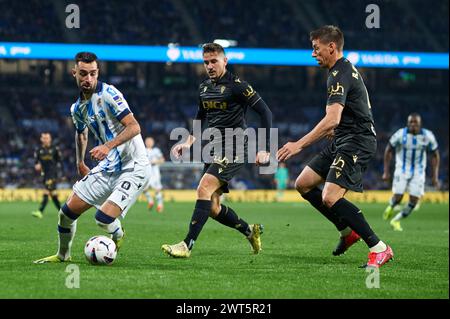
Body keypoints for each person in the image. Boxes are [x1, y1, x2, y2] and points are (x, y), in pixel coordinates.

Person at [277, 25, 393, 268]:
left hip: (357, 141)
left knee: (330, 196)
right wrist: (334, 128)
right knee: (304, 184)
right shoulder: (339, 71)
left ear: (331, 47)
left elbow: (332, 118)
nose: (313, 54)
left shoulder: (340, 74)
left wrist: (298, 144)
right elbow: (339, 118)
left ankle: (379, 247)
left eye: (316, 48)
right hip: (343, 138)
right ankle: (346, 231)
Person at [34, 52, 150, 264]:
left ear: (98, 73)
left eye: (93, 74)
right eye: (83, 74)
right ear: (74, 73)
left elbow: (135, 127)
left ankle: (118, 234)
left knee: (103, 219)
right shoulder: (77, 108)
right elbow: (81, 133)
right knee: (66, 213)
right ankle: (63, 255)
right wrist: (80, 162)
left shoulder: (109, 94)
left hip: (134, 166)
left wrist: (107, 145)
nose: (88, 79)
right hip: (108, 167)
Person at [161, 43, 272, 258]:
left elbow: (265, 112)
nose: (210, 66)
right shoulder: (204, 87)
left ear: (225, 61)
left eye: (214, 61)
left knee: (202, 189)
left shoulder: (238, 85)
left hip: (236, 146)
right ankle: (250, 231)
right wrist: (188, 142)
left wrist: (265, 148)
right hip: (213, 148)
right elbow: (200, 116)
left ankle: (186, 245)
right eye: (206, 62)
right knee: (212, 207)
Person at [382, 113, 440, 231]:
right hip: (401, 170)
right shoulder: (400, 134)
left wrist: (435, 176)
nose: (413, 125)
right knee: (398, 197)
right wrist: (386, 171)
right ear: (407, 124)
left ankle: (396, 220)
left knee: (414, 200)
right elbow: (388, 149)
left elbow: (435, 155)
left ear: (420, 124)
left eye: (416, 123)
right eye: (411, 123)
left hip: (418, 172)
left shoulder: (427, 136)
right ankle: (391, 206)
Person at [31, 132, 62, 218]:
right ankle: (63, 211)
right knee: (53, 195)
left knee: (46, 191)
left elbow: (60, 161)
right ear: (41, 139)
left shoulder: (55, 149)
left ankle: (40, 211)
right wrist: (37, 165)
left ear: (50, 139)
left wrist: (60, 173)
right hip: (44, 174)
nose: (45, 139)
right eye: (44, 138)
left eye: (47, 138)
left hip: (52, 174)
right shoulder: (38, 150)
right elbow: (36, 162)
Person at [144, 136, 165, 213]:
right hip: (146, 172)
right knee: (144, 188)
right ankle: (150, 201)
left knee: (157, 189)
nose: (149, 143)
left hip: (155, 173)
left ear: (153, 143)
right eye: (147, 141)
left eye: (150, 141)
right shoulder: (143, 150)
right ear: (145, 142)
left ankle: (160, 205)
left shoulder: (156, 151)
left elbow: (162, 160)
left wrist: (155, 162)